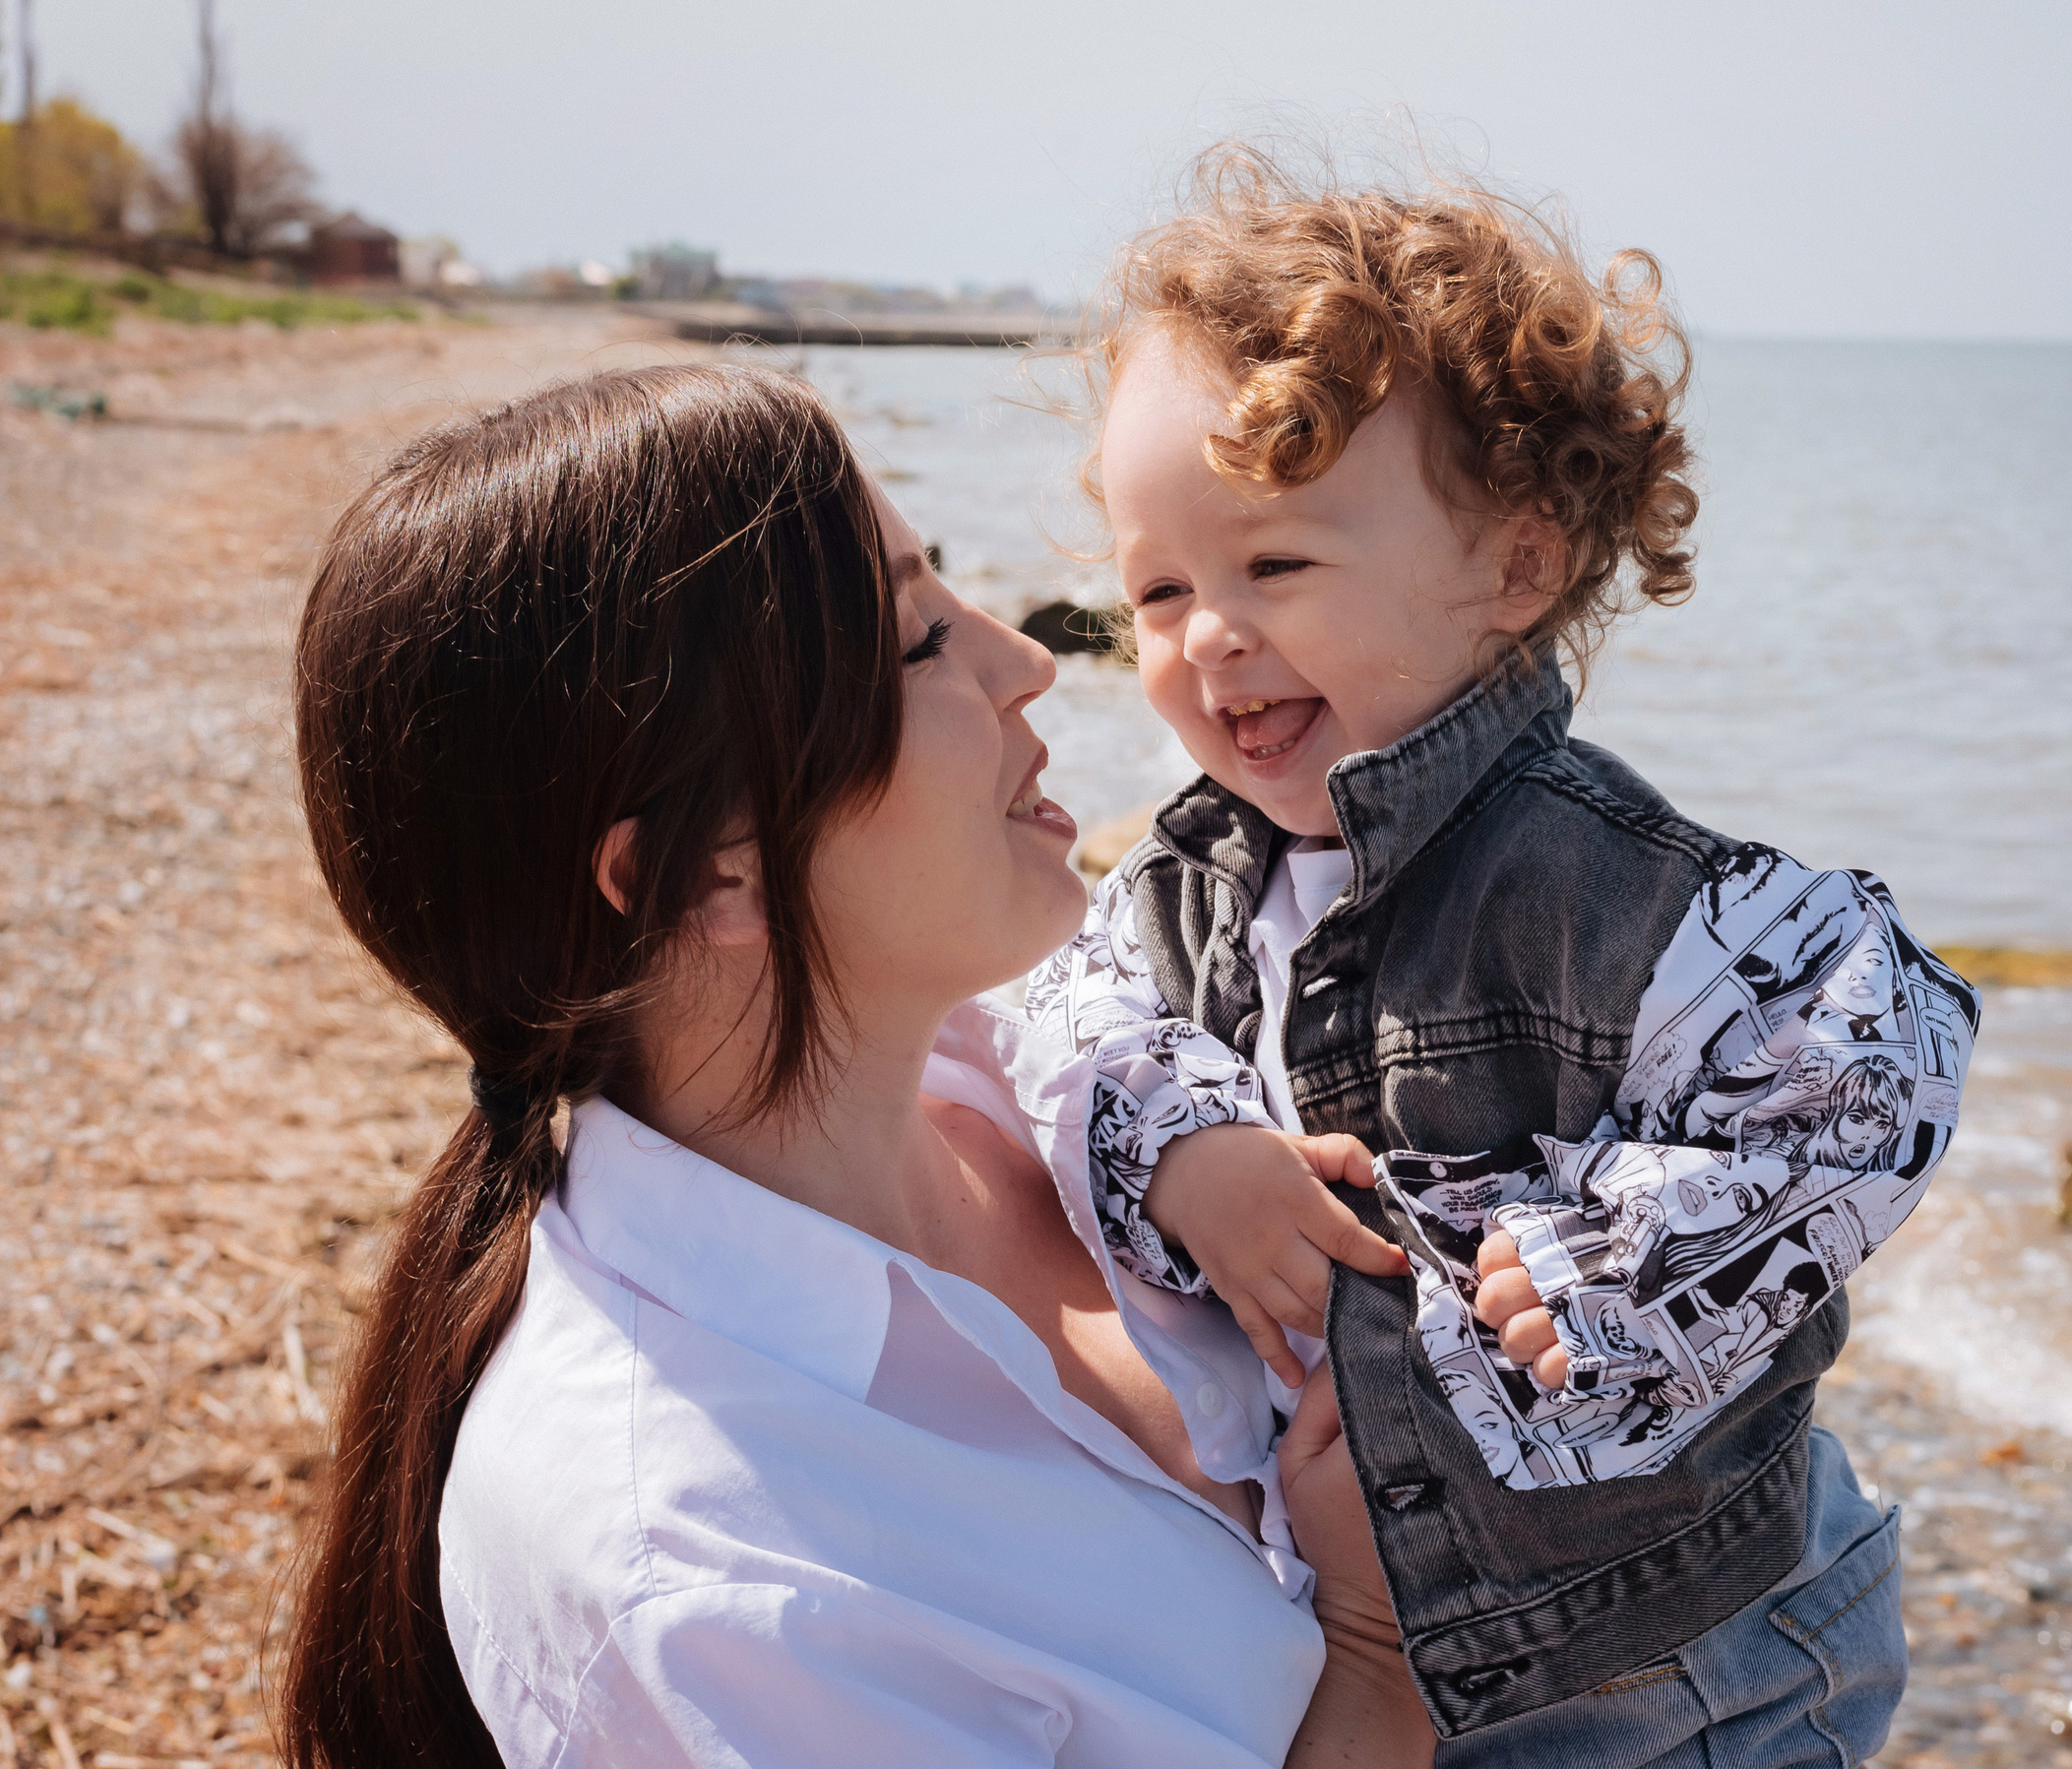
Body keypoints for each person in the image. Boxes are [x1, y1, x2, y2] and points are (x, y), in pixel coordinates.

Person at [277, 364, 1434, 1768]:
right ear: (707, 865)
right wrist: (1375, 1649)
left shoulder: (1064, 1050)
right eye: (915, 640)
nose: (1025, 657)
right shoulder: (710, 1578)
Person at [1027, 148, 1980, 1760]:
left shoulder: (1582, 875)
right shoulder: (1188, 873)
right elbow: (1060, 1007)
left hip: (1685, 1655)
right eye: (1158, 588)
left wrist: (1622, 1256)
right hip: (1386, 1630)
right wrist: (1178, 1136)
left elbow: (1877, 1055)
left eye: (1275, 566)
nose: (1204, 638)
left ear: (1514, 568)